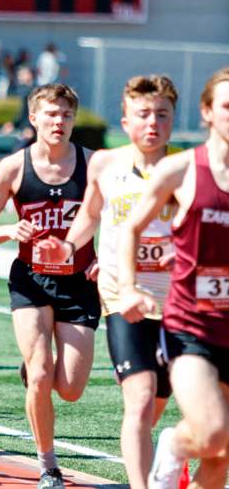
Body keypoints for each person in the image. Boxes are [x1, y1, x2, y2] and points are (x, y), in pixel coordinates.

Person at [35, 75, 179, 488]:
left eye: (162, 114)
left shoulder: (185, 170)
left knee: (156, 403)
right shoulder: (104, 164)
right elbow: (91, 214)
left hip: (177, 303)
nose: (152, 123)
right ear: (126, 119)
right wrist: (68, 245)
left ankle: (171, 450)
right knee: (139, 399)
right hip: (123, 296)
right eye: (143, 114)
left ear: (173, 120)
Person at [0, 83, 97, 489]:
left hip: (78, 284)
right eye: (51, 114)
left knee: (71, 388)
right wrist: (11, 229)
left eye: (66, 115)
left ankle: (34, 361)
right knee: (42, 375)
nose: (59, 122)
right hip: (32, 281)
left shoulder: (94, 165)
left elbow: (122, 218)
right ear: (34, 118)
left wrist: (106, 259)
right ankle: (48, 465)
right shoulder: (13, 167)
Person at [117, 67, 229, 489]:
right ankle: (172, 444)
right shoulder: (182, 171)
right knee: (212, 432)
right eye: (227, 107)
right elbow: (129, 227)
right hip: (191, 328)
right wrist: (128, 287)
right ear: (207, 113)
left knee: (219, 461)